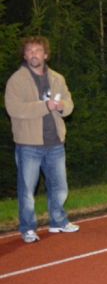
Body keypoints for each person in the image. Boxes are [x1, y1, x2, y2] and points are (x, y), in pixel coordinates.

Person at [4, 36, 79, 243]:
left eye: (37, 51)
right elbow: (14, 109)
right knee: (27, 190)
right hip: (29, 145)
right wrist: (44, 106)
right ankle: (28, 228)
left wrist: (62, 106)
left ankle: (58, 221)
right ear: (25, 55)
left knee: (60, 187)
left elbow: (69, 104)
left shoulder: (57, 78)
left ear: (45, 55)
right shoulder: (17, 80)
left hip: (55, 142)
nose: (33, 54)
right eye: (29, 51)